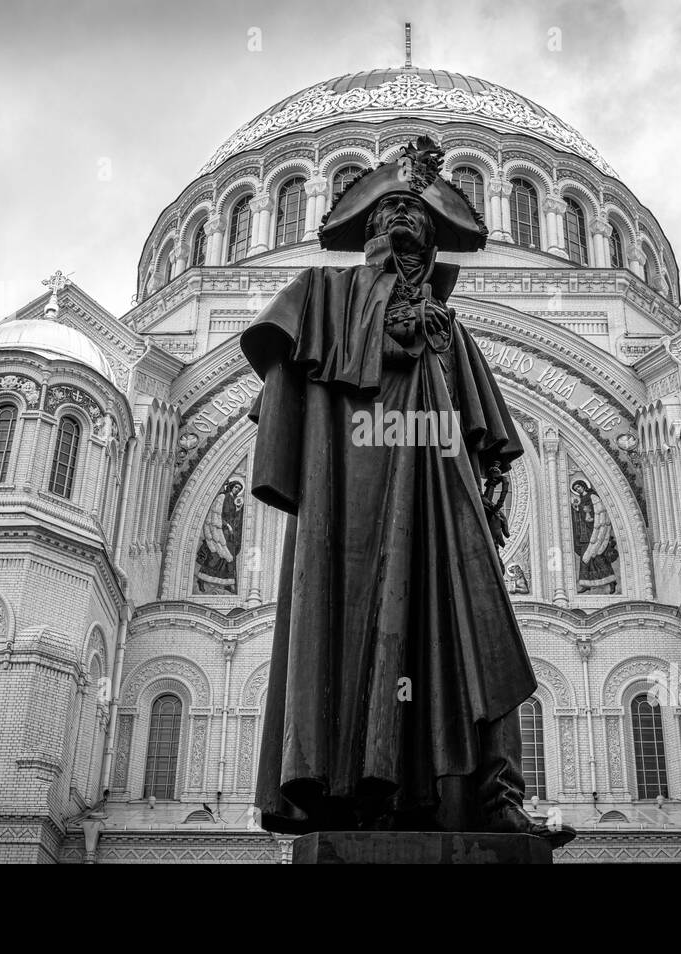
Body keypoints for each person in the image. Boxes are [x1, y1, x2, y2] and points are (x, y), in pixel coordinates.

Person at [241, 137, 573, 845]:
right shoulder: (321, 299)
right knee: (358, 631)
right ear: (368, 232)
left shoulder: (449, 328)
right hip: (353, 501)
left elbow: (491, 436)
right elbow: (279, 389)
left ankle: (494, 796)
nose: (407, 230)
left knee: (481, 632)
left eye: (419, 223)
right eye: (393, 216)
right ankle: (366, 792)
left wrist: (491, 491)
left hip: (441, 494)